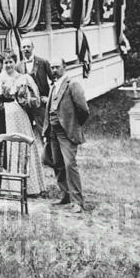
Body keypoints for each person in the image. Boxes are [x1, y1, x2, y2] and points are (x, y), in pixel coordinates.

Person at [0, 49, 45, 193]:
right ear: (1, 63)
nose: (8, 65)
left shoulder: (23, 78)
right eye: (5, 62)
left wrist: (26, 100)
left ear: (15, 62)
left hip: (18, 117)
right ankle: (0, 185)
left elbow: (34, 101)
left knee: (19, 145)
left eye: (10, 61)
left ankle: (24, 186)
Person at [43, 55, 89, 213]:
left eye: (57, 67)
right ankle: (65, 195)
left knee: (70, 164)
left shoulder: (72, 84)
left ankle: (77, 201)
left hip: (66, 132)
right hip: (53, 131)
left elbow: (83, 109)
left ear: (65, 67)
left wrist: (74, 125)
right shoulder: (53, 85)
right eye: (52, 67)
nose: (54, 70)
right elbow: (49, 109)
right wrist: (47, 129)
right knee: (57, 163)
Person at [17, 38, 52, 133]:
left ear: (33, 47)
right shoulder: (18, 66)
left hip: (40, 102)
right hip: (26, 104)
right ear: (21, 49)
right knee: (27, 131)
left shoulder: (43, 62)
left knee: (44, 130)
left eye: (28, 46)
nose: (26, 49)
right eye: (24, 47)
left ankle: (47, 147)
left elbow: (54, 80)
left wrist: (49, 97)